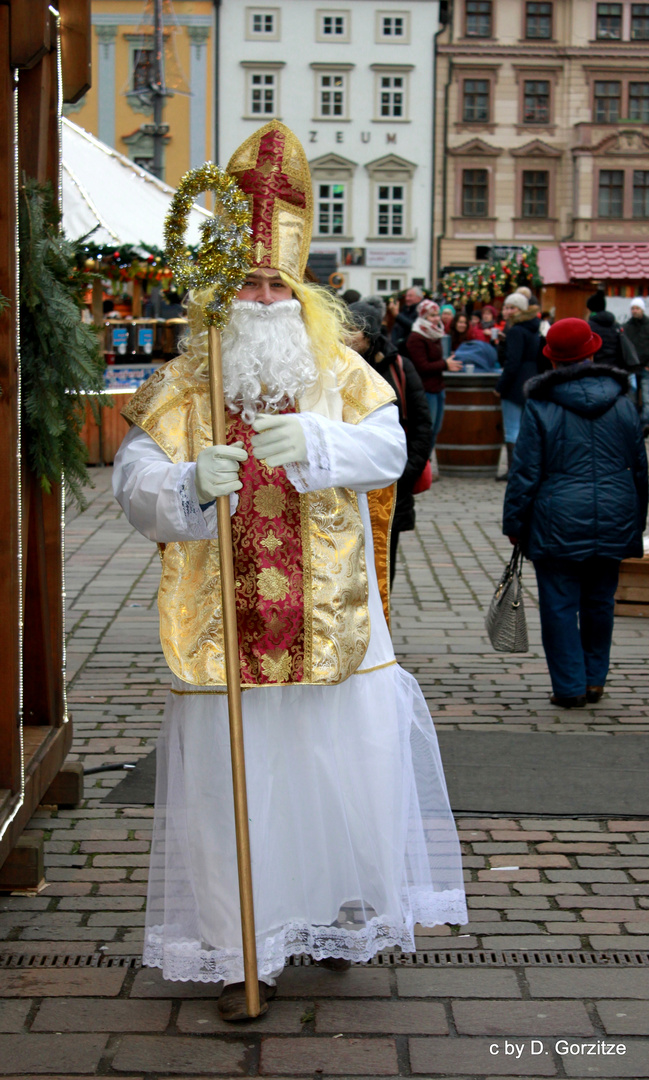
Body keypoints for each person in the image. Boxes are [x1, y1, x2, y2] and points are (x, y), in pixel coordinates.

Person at [112, 121, 467, 1022]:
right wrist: (188, 481)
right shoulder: (187, 381)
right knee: (234, 784)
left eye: (275, 280)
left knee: (340, 764)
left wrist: (314, 439)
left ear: (298, 285)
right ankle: (241, 949)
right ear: (222, 289)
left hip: (333, 615)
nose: (261, 294)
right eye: (247, 280)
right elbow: (134, 487)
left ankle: (329, 915)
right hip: (218, 622)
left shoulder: (338, 370)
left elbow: (387, 448)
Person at [503, 318, 648, 709]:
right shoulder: (623, 401)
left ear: (551, 359)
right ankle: (595, 679)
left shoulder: (541, 404)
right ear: (593, 351)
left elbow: (526, 471)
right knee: (601, 601)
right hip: (616, 512)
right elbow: (640, 466)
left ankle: (569, 686)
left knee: (560, 603)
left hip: (557, 518)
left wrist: (514, 524)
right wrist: (637, 519)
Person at [349, 301, 432, 585]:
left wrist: (405, 474)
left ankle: (382, 626)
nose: (346, 337)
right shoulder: (334, 367)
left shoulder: (398, 366)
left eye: (354, 330)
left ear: (370, 335)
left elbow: (422, 425)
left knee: (383, 567)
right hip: (347, 483)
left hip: (392, 486)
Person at [406, 299, 462, 459]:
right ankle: (422, 464)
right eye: (432, 315)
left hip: (438, 387)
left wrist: (445, 361)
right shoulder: (416, 337)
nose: (436, 319)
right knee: (426, 430)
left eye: (437, 315)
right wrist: (445, 364)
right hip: (425, 389)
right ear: (423, 316)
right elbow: (422, 366)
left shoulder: (435, 334)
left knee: (436, 429)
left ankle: (426, 463)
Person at [495, 292, 541, 481]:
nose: (507, 311)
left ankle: (513, 470)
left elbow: (512, 363)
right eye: (506, 307)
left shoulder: (515, 331)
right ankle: (525, 468)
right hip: (531, 380)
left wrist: (500, 386)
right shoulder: (533, 329)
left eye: (512, 307)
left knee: (512, 428)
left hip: (515, 384)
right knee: (524, 428)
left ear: (520, 310)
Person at [623, 297, 649, 424]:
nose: (634, 311)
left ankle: (645, 425)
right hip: (632, 368)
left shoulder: (648, 326)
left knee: (646, 399)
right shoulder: (627, 327)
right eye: (633, 308)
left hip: (645, 368)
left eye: (637, 308)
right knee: (631, 399)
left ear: (642, 310)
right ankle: (633, 423)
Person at [390, 285, 424, 354]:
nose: (407, 299)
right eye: (406, 296)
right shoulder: (404, 311)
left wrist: (397, 315)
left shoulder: (422, 311)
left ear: (419, 298)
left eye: (410, 296)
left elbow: (414, 327)